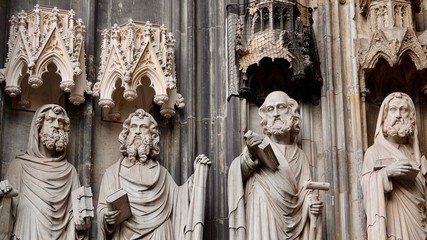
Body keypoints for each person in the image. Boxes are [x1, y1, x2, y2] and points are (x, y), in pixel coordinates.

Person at [97, 109, 211, 240]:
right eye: (133, 127)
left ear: (152, 136)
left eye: (143, 127)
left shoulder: (161, 174)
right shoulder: (112, 174)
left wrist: (196, 179)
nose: (138, 131)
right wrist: (106, 216)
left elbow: (179, 200)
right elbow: (102, 208)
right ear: (126, 134)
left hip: (159, 233)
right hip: (125, 234)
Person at [228, 91, 323, 240]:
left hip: (295, 223)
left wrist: (311, 205)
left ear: (292, 113)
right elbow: (236, 176)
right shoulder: (258, 147)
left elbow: (306, 191)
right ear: (265, 117)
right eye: (270, 110)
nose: (276, 114)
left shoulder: (301, 156)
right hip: (263, 213)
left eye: (281, 107)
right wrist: (250, 155)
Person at [0, 104, 90, 240]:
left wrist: (81, 223)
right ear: (38, 126)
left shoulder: (70, 172)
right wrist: (4, 197)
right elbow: (6, 216)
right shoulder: (19, 166)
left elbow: (77, 214)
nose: (56, 125)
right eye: (50, 120)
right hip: (27, 233)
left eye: (60, 122)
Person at [361, 92, 427, 239]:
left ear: (411, 118)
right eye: (393, 110)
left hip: (417, 221)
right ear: (385, 116)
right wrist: (387, 173)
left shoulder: (414, 153)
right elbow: (366, 184)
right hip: (393, 222)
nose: (398, 115)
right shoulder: (374, 152)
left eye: (403, 110)